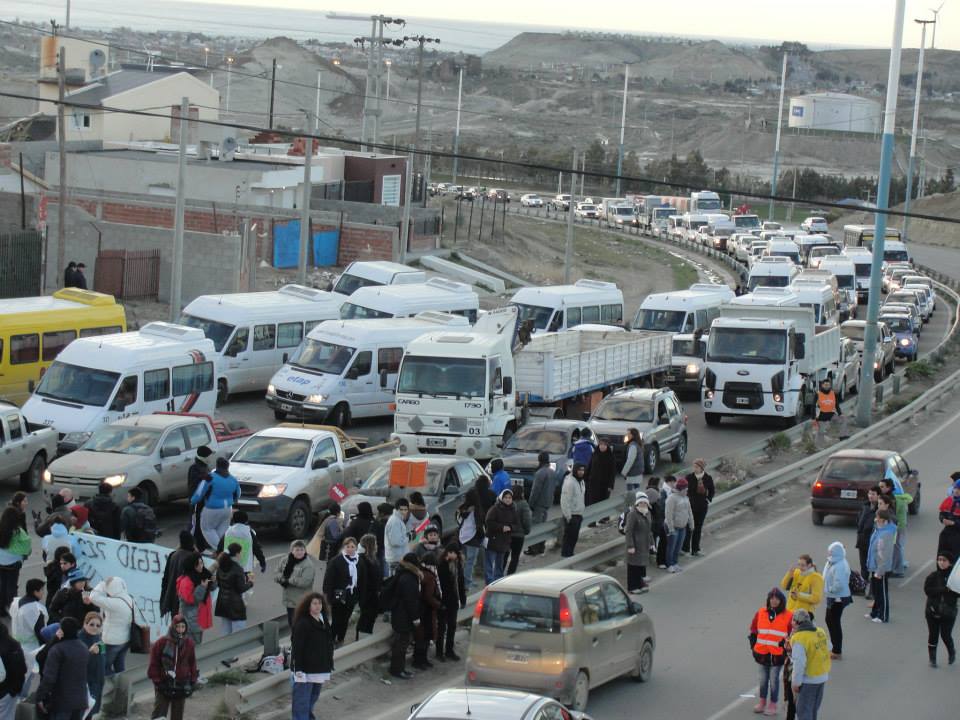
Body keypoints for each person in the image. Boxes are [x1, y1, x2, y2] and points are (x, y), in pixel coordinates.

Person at [290, 593, 334, 720]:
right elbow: (297, 647)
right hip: (304, 670)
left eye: (319, 603)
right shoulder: (303, 623)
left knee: (312, 697)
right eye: (314, 603)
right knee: (302, 701)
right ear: (308, 605)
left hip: (319, 669)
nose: (318, 606)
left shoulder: (323, 620)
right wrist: (298, 669)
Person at [37, 616, 90, 720]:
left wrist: (40, 696)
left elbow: (49, 678)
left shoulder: (57, 650)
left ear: (61, 630)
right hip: (80, 700)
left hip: (61, 702)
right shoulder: (83, 647)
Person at [749, 588, 792, 717]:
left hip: (777, 655)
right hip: (762, 653)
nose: (774, 601)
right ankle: (762, 702)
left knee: (773, 680)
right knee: (763, 679)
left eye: (776, 598)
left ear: (781, 600)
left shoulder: (788, 615)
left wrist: (786, 649)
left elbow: (792, 634)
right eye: (771, 598)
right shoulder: (761, 612)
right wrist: (754, 646)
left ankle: (773, 704)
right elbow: (753, 629)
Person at [147, 615, 198, 720]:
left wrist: (193, 681)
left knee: (177, 715)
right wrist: (158, 682)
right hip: (164, 683)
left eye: (183, 627)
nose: (180, 630)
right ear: (173, 627)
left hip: (181, 684)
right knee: (159, 714)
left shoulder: (189, 644)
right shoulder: (161, 643)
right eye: (178, 627)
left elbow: (192, 663)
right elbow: (154, 664)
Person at [789, 609, 831, 720]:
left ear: (796, 622)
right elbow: (829, 647)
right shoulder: (820, 631)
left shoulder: (799, 638)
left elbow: (799, 664)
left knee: (804, 711)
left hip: (809, 680)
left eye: (792, 620)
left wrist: (796, 683)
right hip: (822, 676)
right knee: (813, 710)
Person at [190, 457, 239, 550]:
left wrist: (193, 501)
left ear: (217, 466)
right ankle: (223, 551)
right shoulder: (233, 479)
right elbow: (238, 493)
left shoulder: (210, 477)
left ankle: (222, 551)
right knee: (221, 532)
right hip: (227, 509)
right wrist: (232, 501)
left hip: (211, 508)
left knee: (207, 529)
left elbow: (199, 493)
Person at [323, 536, 364, 645]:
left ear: (356, 548)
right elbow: (328, 579)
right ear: (344, 547)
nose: (350, 549)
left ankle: (341, 638)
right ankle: (331, 639)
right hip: (338, 593)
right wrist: (328, 595)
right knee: (336, 619)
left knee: (346, 618)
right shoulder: (336, 561)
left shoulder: (359, 561)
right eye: (348, 546)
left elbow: (362, 579)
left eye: (352, 547)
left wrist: (361, 595)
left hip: (352, 594)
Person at [88, 576, 134, 675]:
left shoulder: (114, 603)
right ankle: (122, 683)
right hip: (125, 639)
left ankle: (111, 683)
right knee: (119, 666)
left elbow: (92, 597)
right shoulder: (129, 599)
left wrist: (103, 584)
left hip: (110, 642)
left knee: (104, 666)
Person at [389, 553, 422, 679]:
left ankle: (399, 668)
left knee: (401, 643)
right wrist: (415, 618)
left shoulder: (402, 574)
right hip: (403, 616)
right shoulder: (409, 578)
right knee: (401, 644)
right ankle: (397, 670)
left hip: (399, 614)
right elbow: (410, 601)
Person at [924, 551, 958, 667]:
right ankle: (932, 659)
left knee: (945, 635)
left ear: (950, 562)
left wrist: (952, 590)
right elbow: (927, 590)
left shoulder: (955, 578)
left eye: (944, 560)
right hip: (932, 611)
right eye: (939, 560)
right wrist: (943, 590)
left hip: (948, 613)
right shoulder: (933, 576)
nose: (941, 562)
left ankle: (951, 651)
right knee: (933, 635)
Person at [275, 539, 316, 630]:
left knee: (300, 626)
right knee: (292, 624)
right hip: (289, 601)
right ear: (292, 550)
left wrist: (288, 580)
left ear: (305, 551)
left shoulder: (308, 565)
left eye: (302, 550)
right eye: (297, 550)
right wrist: (281, 578)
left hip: (301, 602)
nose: (299, 552)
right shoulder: (285, 560)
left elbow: (305, 582)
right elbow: (276, 572)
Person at [213, 543, 253, 635]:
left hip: (222, 602)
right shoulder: (237, 568)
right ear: (237, 554)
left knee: (225, 631)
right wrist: (250, 583)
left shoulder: (221, 565)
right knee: (239, 632)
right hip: (235, 604)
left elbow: (218, 582)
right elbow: (241, 588)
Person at [436, 542, 465, 662]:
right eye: (451, 552)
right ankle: (439, 652)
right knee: (441, 627)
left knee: (452, 626)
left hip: (453, 601)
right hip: (443, 601)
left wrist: (463, 599)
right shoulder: (441, 565)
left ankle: (449, 650)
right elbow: (440, 586)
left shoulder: (458, 565)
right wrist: (441, 602)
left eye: (455, 553)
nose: (453, 555)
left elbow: (461, 583)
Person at [176, 553, 214, 646]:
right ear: (192, 565)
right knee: (191, 647)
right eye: (198, 564)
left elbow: (212, 587)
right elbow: (191, 600)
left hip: (198, 619)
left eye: (202, 563)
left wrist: (213, 580)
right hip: (190, 623)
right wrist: (202, 587)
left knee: (196, 646)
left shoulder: (201, 575)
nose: (201, 566)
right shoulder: (186, 581)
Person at [822, 542, 851, 659]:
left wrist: (829, 589)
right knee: (830, 620)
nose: (829, 554)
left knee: (834, 622)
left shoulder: (840, 565)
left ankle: (837, 650)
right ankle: (835, 647)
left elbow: (839, 584)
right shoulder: (834, 561)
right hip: (833, 596)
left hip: (837, 598)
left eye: (831, 552)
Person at [0, 506, 31, 617]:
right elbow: (27, 545)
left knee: (2, 584)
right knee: (11, 587)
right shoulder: (18, 531)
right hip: (13, 564)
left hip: (1, 563)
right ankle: (13, 608)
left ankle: (1, 608)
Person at [866, 509, 896, 623]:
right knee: (876, 592)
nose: (875, 520)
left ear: (883, 520)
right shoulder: (878, 530)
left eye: (877, 518)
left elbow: (885, 555)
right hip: (875, 566)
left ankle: (883, 616)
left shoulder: (886, 534)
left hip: (881, 568)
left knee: (882, 592)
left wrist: (880, 570)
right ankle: (874, 613)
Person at [413, 552, 441, 670]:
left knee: (421, 636)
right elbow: (428, 596)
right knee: (425, 637)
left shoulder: (420, 573)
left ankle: (420, 660)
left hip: (420, 609)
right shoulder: (430, 576)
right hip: (427, 611)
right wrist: (438, 605)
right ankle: (420, 660)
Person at [879, 475, 911, 577]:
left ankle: (897, 570)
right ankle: (895, 568)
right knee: (896, 547)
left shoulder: (890, 500)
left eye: (882, 487)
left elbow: (891, 515)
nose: (880, 488)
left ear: (888, 488)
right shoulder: (894, 497)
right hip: (899, 525)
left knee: (896, 547)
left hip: (897, 526)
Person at [484, 488, 518, 584]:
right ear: (501, 498)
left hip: (504, 541)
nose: (508, 499)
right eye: (505, 497)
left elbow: (517, 524)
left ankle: (498, 581)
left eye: (510, 498)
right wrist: (501, 527)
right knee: (489, 563)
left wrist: (510, 527)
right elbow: (489, 522)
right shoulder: (495, 509)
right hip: (492, 540)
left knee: (500, 563)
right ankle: (489, 582)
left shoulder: (513, 510)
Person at [217, 510, 266, 575]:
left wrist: (219, 560)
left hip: (228, 566)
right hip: (245, 568)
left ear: (233, 520)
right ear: (246, 521)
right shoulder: (249, 533)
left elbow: (220, 547)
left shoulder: (228, 531)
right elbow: (257, 549)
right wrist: (262, 563)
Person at [682, 458, 714, 556]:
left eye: (697, 467)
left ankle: (695, 549)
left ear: (701, 468)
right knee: (689, 527)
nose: (695, 468)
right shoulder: (689, 477)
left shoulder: (708, 478)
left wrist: (708, 499)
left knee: (698, 528)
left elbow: (712, 490)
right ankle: (685, 549)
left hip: (702, 507)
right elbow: (684, 490)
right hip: (690, 506)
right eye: (694, 466)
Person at [160, 531, 197, 619]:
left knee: (176, 623)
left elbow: (165, 580)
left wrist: (164, 601)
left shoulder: (173, 555)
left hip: (174, 600)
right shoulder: (194, 558)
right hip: (188, 602)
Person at [525, 452, 554, 556]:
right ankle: (541, 547)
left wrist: (531, 504)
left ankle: (533, 549)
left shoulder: (540, 473)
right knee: (543, 526)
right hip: (547, 503)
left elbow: (535, 490)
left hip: (539, 504)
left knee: (535, 527)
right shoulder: (551, 472)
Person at [78, 611, 106, 718]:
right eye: (91, 624)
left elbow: (103, 660)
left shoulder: (99, 639)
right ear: (85, 624)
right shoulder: (79, 640)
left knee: (93, 713)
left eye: (98, 625)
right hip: (84, 684)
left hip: (97, 683)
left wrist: (101, 681)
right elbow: (75, 663)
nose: (94, 627)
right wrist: (89, 653)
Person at [624, 493, 653, 594]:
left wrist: (652, 543)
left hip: (644, 545)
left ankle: (640, 584)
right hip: (635, 545)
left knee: (641, 566)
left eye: (645, 502)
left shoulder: (648, 513)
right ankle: (632, 587)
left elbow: (649, 530)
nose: (643, 504)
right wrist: (630, 546)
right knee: (633, 567)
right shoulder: (632, 514)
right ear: (637, 503)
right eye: (641, 502)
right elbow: (629, 531)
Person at [456, 490, 485, 591]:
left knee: (464, 561)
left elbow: (458, 520)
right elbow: (479, 525)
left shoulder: (462, 508)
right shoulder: (476, 509)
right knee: (470, 562)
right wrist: (482, 536)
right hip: (473, 537)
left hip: (462, 536)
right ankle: (467, 583)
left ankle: (463, 581)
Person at [10, 578, 48, 655]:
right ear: (35, 592)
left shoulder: (15, 603)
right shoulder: (37, 610)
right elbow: (41, 633)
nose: (43, 593)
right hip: (33, 648)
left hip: (17, 646)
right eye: (41, 590)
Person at [664, 477, 692, 572]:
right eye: (685, 489)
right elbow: (668, 514)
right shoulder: (672, 498)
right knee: (671, 547)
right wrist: (671, 528)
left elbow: (689, 511)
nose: (687, 491)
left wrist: (691, 523)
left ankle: (675, 563)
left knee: (678, 547)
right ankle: (669, 565)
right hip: (673, 527)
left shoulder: (686, 498)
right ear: (681, 489)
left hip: (682, 527)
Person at [188, 446, 213, 551]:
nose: (210, 458)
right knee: (196, 524)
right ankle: (194, 545)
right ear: (204, 456)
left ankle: (202, 544)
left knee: (203, 523)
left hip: (205, 501)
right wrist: (205, 478)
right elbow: (195, 485)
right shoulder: (195, 468)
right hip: (197, 502)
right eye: (209, 456)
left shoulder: (204, 466)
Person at [355, 534, 381, 638]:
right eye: (375, 543)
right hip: (367, 594)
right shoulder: (363, 559)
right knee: (367, 617)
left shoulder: (371, 558)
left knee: (370, 616)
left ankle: (364, 635)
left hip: (372, 593)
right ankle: (362, 638)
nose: (377, 545)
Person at [855, 486, 880, 595]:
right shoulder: (865, 506)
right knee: (863, 566)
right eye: (869, 494)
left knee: (873, 567)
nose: (870, 496)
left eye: (873, 494)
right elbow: (858, 520)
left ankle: (873, 591)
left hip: (874, 542)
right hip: (862, 541)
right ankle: (862, 587)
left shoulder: (880, 509)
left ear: (878, 496)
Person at [586, 438, 617, 523]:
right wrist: (585, 479)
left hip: (605, 485)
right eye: (601, 444)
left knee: (603, 502)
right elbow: (589, 467)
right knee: (592, 502)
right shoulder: (595, 454)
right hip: (593, 483)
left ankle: (603, 518)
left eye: (604, 445)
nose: (602, 446)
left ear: (607, 446)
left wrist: (611, 485)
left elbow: (612, 472)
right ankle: (591, 521)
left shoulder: (611, 457)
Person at [0, 620, 26, 720]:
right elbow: (22, 668)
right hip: (10, 691)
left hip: (5, 690)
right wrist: (16, 689)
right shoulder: (13, 644)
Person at [560, 463, 586, 558]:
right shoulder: (570, 483)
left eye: (583, 470)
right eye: (579, 470)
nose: (581, 472)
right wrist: (568, 516)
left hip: (578, 514)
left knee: (573, 538)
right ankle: (566, 557)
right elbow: (565, 501)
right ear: (575, 470)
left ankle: (570, 556)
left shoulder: (581, 481)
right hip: (572, 515)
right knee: (568, 539)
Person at [506, 483, 532, 575]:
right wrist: (526, 531)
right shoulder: (523, 504)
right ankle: (510, 575)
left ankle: (499, 574)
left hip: (507, 534)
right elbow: (526, 520)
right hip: (518, 535)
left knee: (504, 556)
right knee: (515, 557)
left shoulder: (507, 503)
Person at [384, 499, 412, 573]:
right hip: (396, 559)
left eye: (405, 509)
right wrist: (409, 537)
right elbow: (395, 542)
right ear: (396, 509)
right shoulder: (395, 521)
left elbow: (398, 537)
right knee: (396, 579)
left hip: (397, 557)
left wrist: (408, 534)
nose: (403, 512)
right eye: (401, 509)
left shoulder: (398, 520)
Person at [937, 478, 960, 559]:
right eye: (955, 488)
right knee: (942, 556)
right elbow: (942, 514)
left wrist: (954, 523)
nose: (956, 491)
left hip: (958, 535)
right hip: (947, 533)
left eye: (959, 489)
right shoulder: (949, 500)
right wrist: (943, 519)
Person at [655, 476, 674, 569]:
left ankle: (664, 560)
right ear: (670, 482)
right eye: (673, 482)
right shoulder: (663, 492)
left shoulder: (669, 491)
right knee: (663, 542)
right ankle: (660, 561)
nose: (674, 484)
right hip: (663, 521)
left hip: (666, 520)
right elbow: (662, 508)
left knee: (666, 541)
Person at [814, 378, 840, 443]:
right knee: (820, 431)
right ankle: (818, 443)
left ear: (830, 385)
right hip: (821, 415)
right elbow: (813, 406)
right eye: (825, 385)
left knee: (840, 421)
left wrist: (840, 413)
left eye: (828, 385)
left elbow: (836, 405)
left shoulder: (833, 393)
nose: (827, 386)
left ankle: (835, 439)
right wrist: (813, 417)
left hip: (830, 414)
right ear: (822, 385)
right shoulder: (818, 394)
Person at [621, 428, 644, 494]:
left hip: (632, 472)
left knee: (630, 493)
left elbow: (630, 460)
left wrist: (624, 472)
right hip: (638, 471)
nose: (627, 435)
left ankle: (631, 500)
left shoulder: (633, 445)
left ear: (633, 435)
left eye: (629, 434)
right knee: (637, 490)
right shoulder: (638, 444)